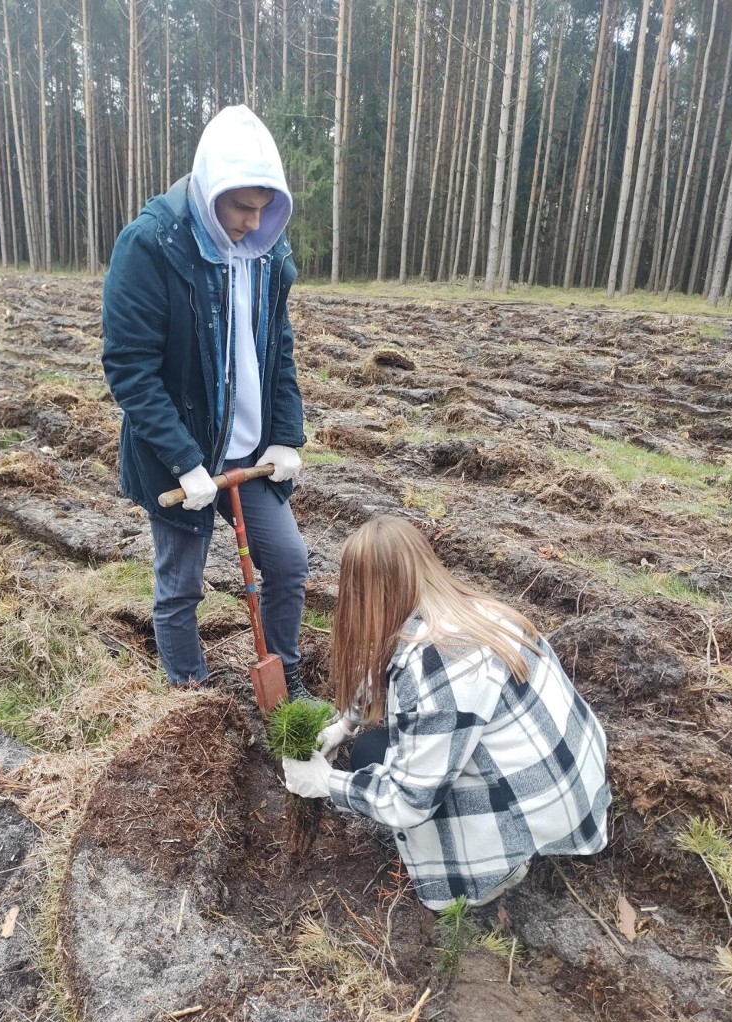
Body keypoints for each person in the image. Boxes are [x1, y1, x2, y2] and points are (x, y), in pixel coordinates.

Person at [282, 516, 611, 910]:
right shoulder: (474, 612)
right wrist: (345, 725)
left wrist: (326, 782)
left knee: (373, 758)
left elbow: (408, 801)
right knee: (370, 745)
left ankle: (500, 871)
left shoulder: (434, 668)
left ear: (361, 590)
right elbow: (385, 670)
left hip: (537, 809)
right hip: (569, 782)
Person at [102, 105, 314, 700]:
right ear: (209, 188)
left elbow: (279, 351)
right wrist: (183, 459)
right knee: (181, 587)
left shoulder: (267, 251)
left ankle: (287, 679)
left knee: (290, 562)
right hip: (183, 455)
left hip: (247, 451)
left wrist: (284, 436)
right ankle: (191, 696)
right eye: (240, 206)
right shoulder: (152, 244)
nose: (252, 221)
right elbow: (129, 367)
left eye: (263, 207)